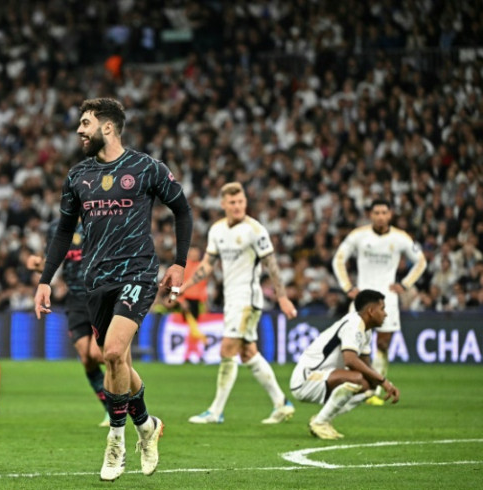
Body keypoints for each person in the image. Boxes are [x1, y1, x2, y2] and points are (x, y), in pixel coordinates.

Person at [33, 98, 192, 482]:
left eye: (85, 123)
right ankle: (147, 426)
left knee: (115, 351)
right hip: (95, 279)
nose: (78, 131)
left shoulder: (145, 168)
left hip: (137, 273)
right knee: (118, 364)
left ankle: (116, 444)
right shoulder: (78, 176)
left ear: (107, 127)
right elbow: (62, 232)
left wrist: (179, 262)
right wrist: (44, 280)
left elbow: (182, 210)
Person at [174, 182, 298, 425]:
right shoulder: (217, 230)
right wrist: (185, 287)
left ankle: (215, 411)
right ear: (223, 204)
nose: (238, 206)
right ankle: (282, 404)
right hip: (232, 298)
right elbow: (208, 265)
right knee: (248, 352)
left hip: (247, 298)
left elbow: (271, 264)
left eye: (241, 201)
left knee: (227, 349)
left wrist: (282, 296)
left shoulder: (255, 230)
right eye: (232, 202)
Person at [332, 198, 426, 405]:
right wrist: (347, 286)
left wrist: (406, 284)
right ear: (370, 215)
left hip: (387, 298)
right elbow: (338, 258)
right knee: (351, 344)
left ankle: (373, 391)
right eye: (376, 212)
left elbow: (421, 260)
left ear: (390, 214)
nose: (380, 216)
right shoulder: (359, 235)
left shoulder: (400, 238)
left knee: (383, 343)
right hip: (362, 298)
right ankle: (352, 384)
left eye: (384, 212)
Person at [26, 218, 109, 427]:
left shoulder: (101, 219)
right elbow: (50, 262)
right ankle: (110, 408)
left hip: (101, 295)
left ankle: (124, 391)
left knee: (97, 354)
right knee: (85, 357)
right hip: (76, 299)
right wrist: (37, 265)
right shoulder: (58, 226)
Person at [290, 289, 401, 439]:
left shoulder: (366, 331)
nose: (386, 314)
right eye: (382, 309)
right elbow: (350, 360)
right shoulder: (353, 325)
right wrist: (383, 381)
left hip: (324, 376)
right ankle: (320, 423)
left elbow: (366, 367)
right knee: (355, 379)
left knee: (369, 387)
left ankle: (322, 419)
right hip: (306, 379)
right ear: (370, 311)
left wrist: (381, 383)